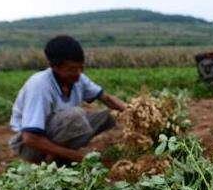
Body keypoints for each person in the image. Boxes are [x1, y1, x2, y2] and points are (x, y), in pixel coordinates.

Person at [9, 35, 127, 163]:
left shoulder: (78, 78)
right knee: (75, 115)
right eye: (71, 69)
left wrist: (135, 111)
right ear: (54, 66)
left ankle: (61, 156)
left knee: (109, 116)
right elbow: (30, 138)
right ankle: (51, 162)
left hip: (57, 133)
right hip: (30, 147)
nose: (78, 73)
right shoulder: (40, 85)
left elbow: (107, 98)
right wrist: (78, 157)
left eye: (80, 68)